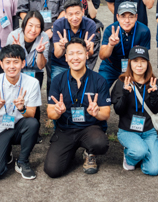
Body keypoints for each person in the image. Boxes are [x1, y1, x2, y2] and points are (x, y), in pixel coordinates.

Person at [45, 40, 112, 177]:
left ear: (87, 55)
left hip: (90, 128)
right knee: (53, 170)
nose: (75, 57)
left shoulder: (99, 80)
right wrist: (57, 112)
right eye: (71, 54)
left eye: (79, 53)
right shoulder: (58, 80)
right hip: (66, 129)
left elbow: (106, 114)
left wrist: (97, 112)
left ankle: (90, 152)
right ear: (66, 57)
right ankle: (69, 152)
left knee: (100, 143)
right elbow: (50, 112)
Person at [0, 45, 42, 181]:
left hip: (18, 128)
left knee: (32, 124)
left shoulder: (32, 83)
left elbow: (31, 114)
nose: (12, 66)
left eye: (16, 62)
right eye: (7, 62)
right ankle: (5, 149)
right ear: (1, 64)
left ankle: (22, 161)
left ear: (23, 63)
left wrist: (22, 108)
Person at [110, 46, 158, 176]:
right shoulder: (122, 81)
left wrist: (153, 96)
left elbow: (156, 110)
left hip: (148, 131)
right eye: (135, 61)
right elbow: (118, 111)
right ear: (130, 63)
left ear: (148, 63)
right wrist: (125, 94)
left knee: (154, 170)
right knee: (139, 150)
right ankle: (130, 157)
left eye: (143, 61)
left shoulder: (154, 81)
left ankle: (139, 154)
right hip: (128, 130)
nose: (139, 65)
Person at [99, 0, 151, 86]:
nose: (127, 20)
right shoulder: (110, 30)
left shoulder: (144, 31)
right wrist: (111, 45)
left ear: (136, 17)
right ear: (117, 17)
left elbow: (143, 58)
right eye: (123, 16)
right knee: (100, 87)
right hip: (111, 66)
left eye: (131, 16)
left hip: (133, 67)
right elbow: (102, 56)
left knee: (139, 91)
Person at [50, 0, 98, 83]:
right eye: (70, 14)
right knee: (56, 87)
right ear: (65, 15)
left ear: (83, 12)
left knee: (85, 88)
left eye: (77, 13)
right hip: (60, 64)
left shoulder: (90, 24)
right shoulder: (58, 24)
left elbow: (90, 53)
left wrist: (86, 48)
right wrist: (63, 47)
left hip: (80, 63)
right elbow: (57, 54)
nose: (74, 18)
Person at [6, 11, 51, 86]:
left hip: (36, 72)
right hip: (17, 71)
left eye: (37, 26)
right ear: (24, 25)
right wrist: (16, 52)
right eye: (30, 25)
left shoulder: (44, 37)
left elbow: (41, 66)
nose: (33, 30)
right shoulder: (13, 36)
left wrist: (40, 52)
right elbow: (8, 63)